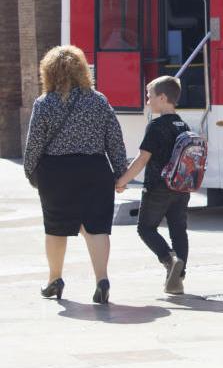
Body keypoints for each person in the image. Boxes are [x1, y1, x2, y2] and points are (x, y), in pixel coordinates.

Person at [23, 45, 126, 304]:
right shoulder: (98, 100)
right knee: (97, 227)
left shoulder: (44, 103)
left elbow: (34, 143)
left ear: (49, 72)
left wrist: (30, 172)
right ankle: (102, 280)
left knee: (56, 228)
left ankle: (54, 280)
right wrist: (120, 172)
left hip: (56, 172)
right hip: (94, 169)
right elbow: (114, 138)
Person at [115, 76, 191, 295]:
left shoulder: (156, 125)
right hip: (181, 187)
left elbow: (141, 160)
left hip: (158, 187)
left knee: (146, 228)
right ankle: (178, 279)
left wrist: (122, 181)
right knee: (179, 231)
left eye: (150, 96)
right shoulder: (183, 124)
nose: (147, 101)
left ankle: (169, 260)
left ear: (163, 97)